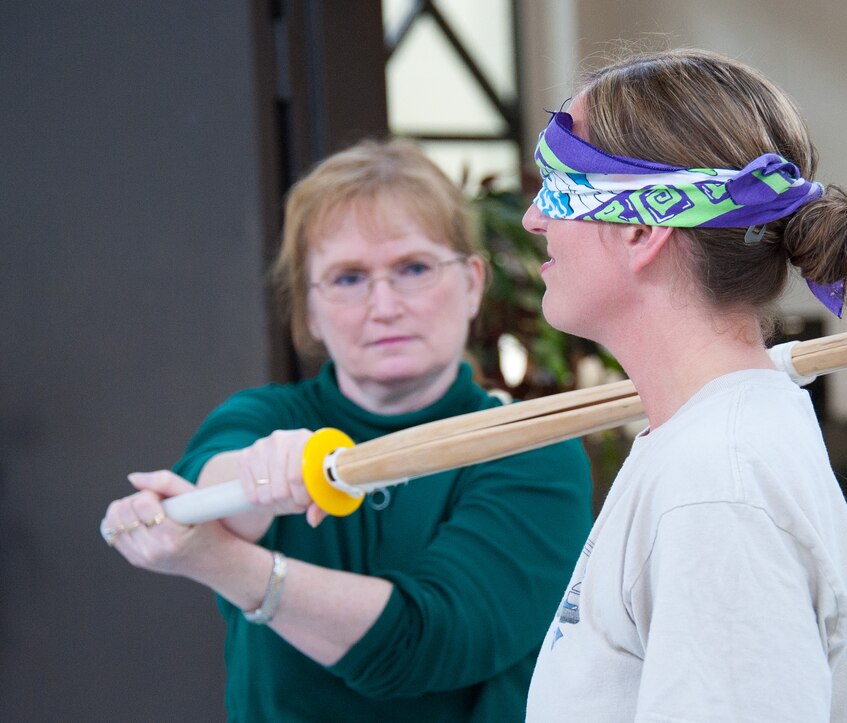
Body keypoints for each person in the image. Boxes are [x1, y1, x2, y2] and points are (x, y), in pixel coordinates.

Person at [99, 138, 594, 722]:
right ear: (309, 310)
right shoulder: (264, 420)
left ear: (472, 283)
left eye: (413, 268)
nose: (383, 306)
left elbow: (424, 644)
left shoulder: (532, 446)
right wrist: (259, 476)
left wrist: (219, 562)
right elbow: (203, 493)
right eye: (348, 278)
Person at [519, 48, 847, 721]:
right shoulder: (700, 445)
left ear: (643, 226)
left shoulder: (717, 486)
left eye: (559, 183)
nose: (534, 218)